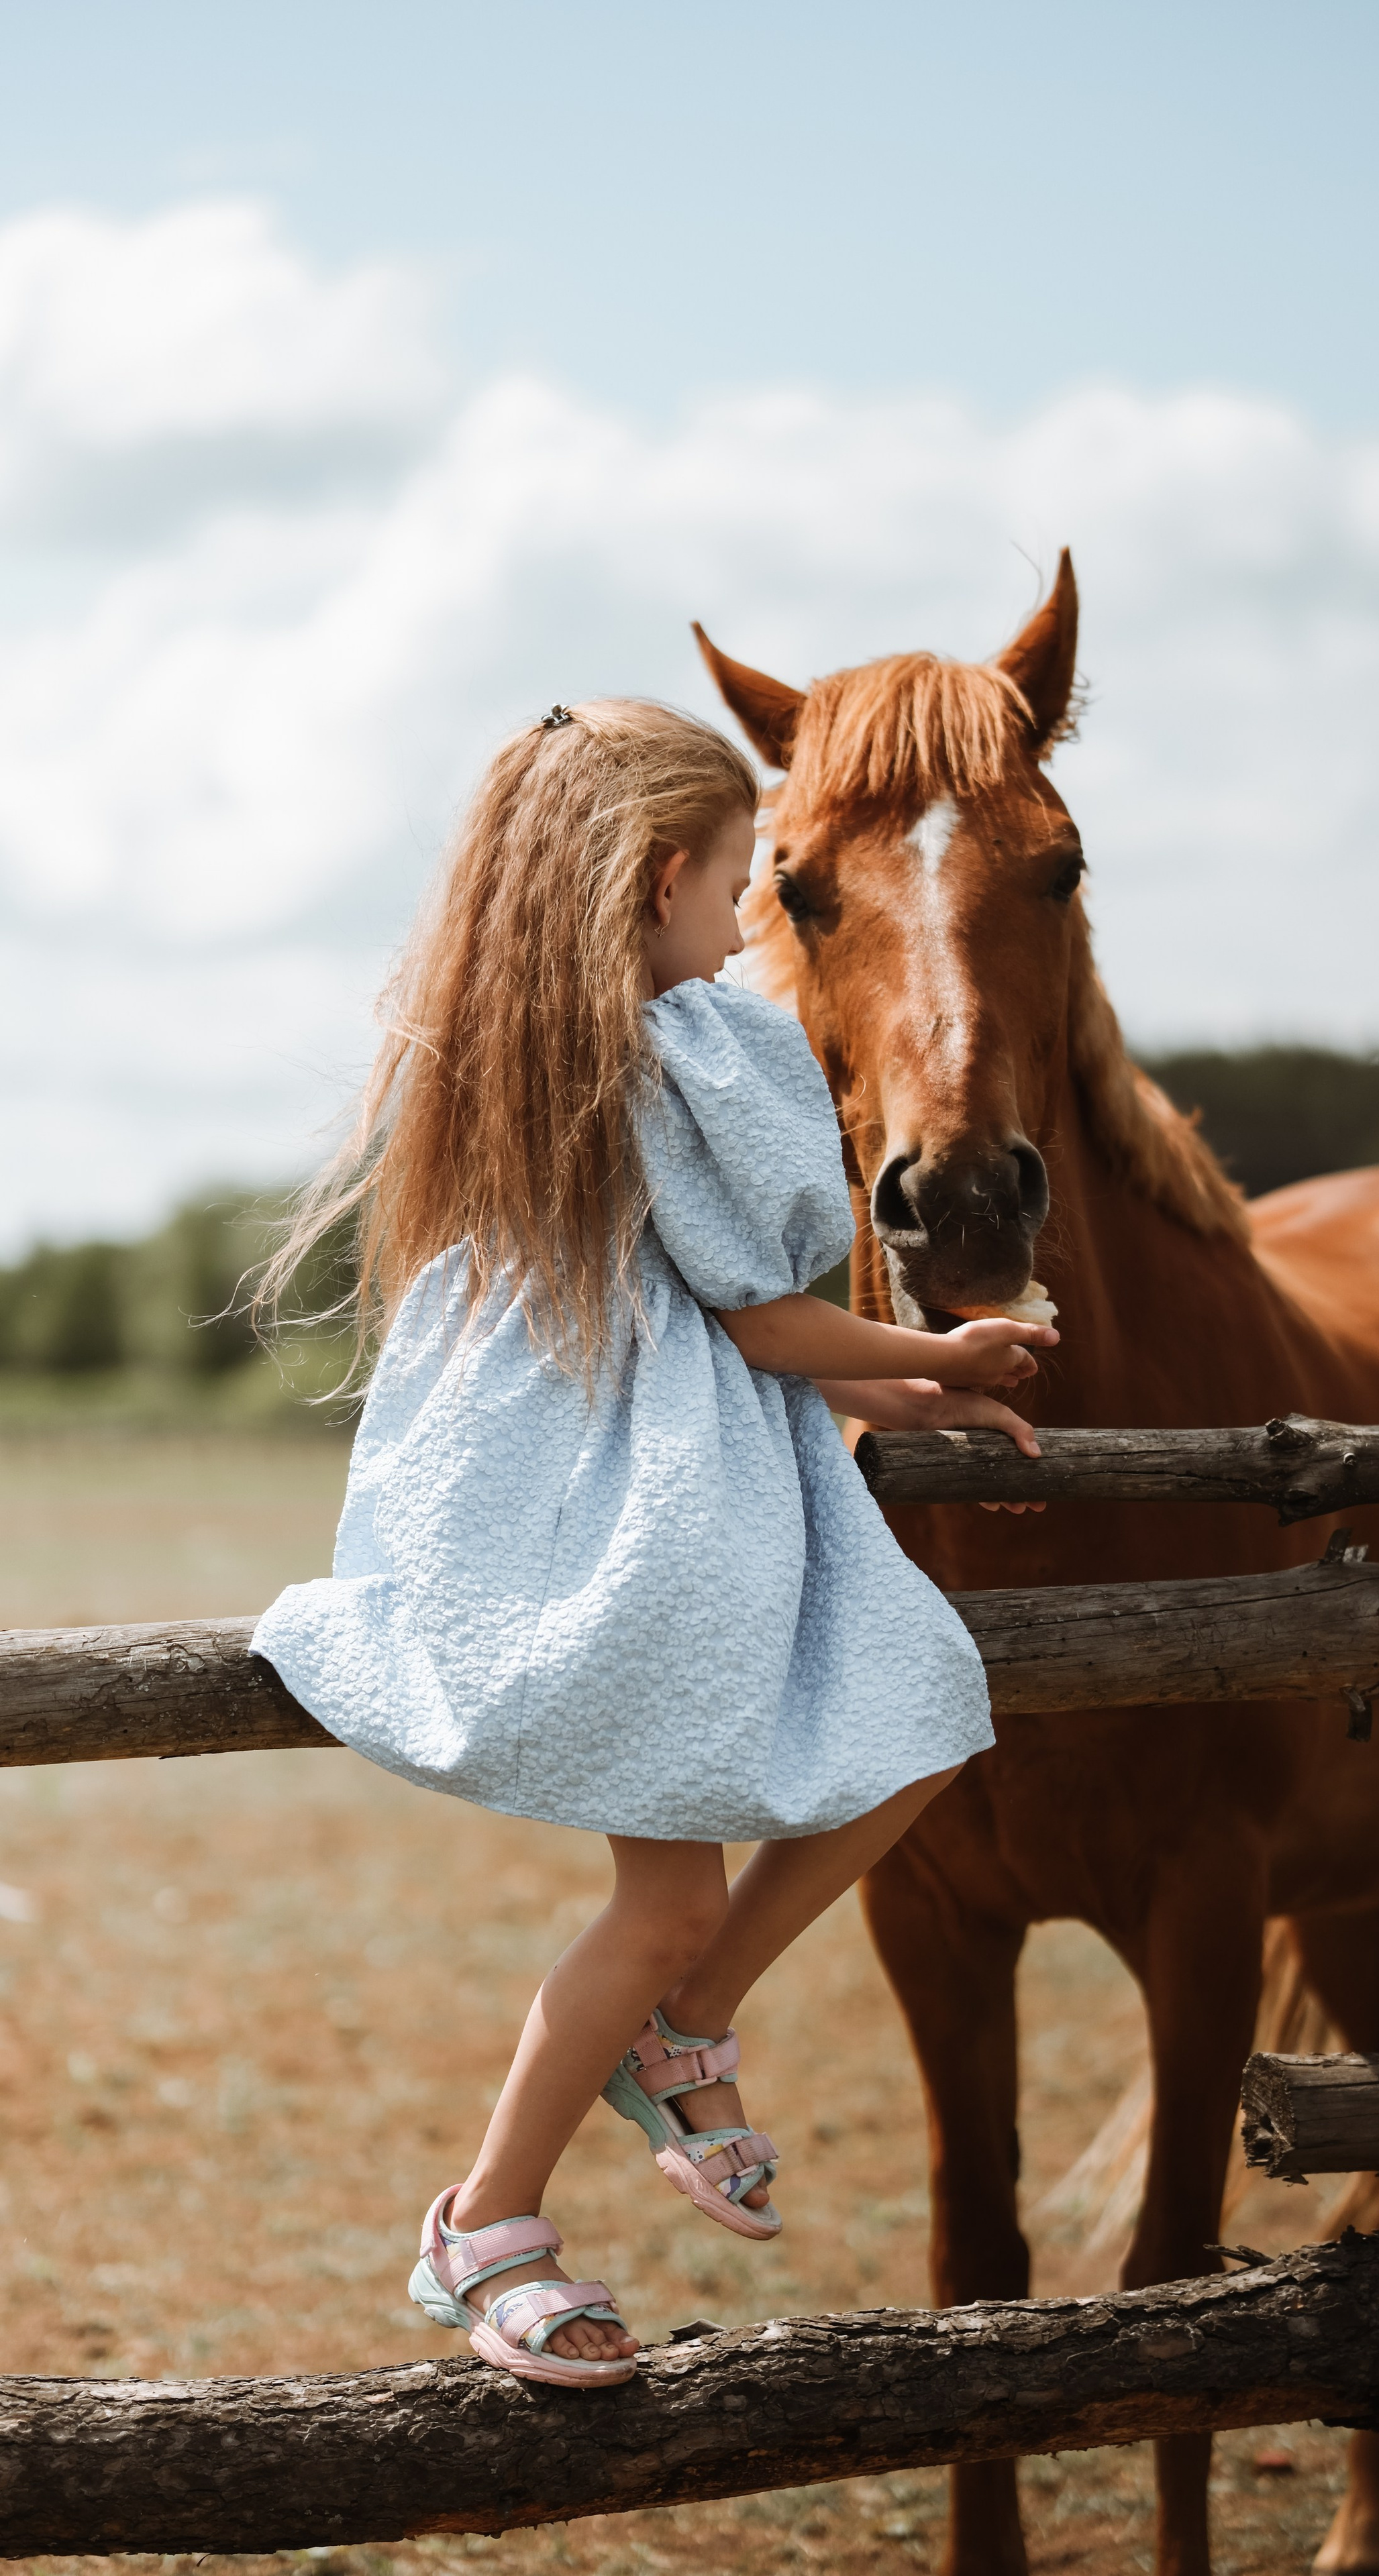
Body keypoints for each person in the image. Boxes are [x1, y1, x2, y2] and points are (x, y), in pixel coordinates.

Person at [252, 698, 1057, 2388]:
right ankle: (488, 2220)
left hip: (608, 1480)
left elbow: (714, 1330)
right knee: (673, 1899)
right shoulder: (672, 1048)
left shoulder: (528, 1040)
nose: (753, 913)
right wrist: (941, 1354)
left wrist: (888, 1406)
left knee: (911, 1710)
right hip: (644, 1514)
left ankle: (677, 2033)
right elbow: (757, 1320)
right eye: (748, 877)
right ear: (668, 875)